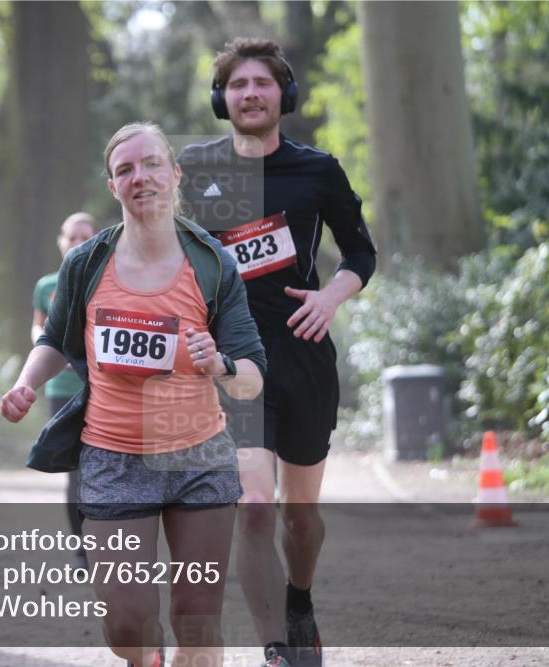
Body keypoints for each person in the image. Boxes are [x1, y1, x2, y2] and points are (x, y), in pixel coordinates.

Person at [1, 122, 267, 667]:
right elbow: (55, 339)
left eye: (150, 165)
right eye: (125, 169)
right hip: (114, 458)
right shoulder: (85, 263)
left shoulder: (214, 263)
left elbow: (252, 375)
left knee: (197, 618)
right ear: (112, 186)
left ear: (174, 174)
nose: (139, 177)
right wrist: (27, 382)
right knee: (127, 625)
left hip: (200, 457)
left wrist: (218, 363)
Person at [178, 38, 378, 667]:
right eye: (238, 85)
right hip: (235, 361)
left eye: (263, 83)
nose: (251, 94)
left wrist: (331, 299)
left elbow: (360, 254)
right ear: (222, 99)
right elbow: (174, 260)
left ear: (284, 96)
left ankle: (300, 599)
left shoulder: (318, 169)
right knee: (256, 508)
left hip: (304, 354)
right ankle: (275, 648)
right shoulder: (195, 167)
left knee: (299, 516)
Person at [32, 211, 97, 571]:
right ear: (61, 242)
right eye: (71, 237)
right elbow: (38, 328)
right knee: (75, 470)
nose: (77, 244)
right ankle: (81, 551)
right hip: (61, 385)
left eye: (84, 237)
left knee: (100, 466)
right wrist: (50, 348)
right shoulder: (46, 286)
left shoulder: (107, 279)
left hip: (102, 383)